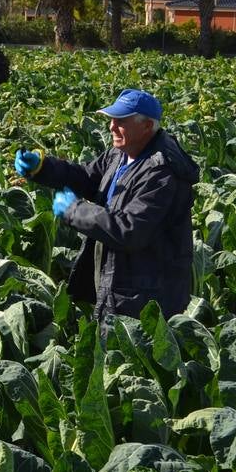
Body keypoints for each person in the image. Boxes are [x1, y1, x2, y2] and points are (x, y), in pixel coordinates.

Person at [14, 88, 199, 325]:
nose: (111, 127)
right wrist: (42, 169)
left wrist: (74, 211)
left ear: (146, 126)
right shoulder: (121, 153)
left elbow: (130, 230)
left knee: (128, 353)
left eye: (121, 121)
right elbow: (87, 177)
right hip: (119, 280)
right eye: (111, 119)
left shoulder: (162, 173)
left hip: (146, 295)